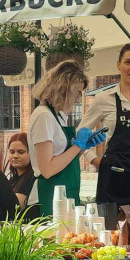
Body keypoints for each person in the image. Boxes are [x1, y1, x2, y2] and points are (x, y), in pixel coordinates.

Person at [79, 42, 130, 217]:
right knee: (110, 229)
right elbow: (80, 133)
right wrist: (94, 160)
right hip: (114, 177)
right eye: (128, 62)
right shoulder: (103, 99)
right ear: (119, 65)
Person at [28, 60, 105, 215]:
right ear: (63, 89)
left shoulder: (57, 116)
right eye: (77, 93)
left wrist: (82, 147)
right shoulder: (44, 116)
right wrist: (77, 145)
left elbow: (61, 158)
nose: (78, 100)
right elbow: (48, 169)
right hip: (47, 198)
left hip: (63, 195)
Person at [6, 132, 34, 210]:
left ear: (31, 153)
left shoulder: (31, 178)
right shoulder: (12, 179)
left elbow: (15, 208)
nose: (15, 156)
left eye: (21, 152)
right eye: (12, 152)